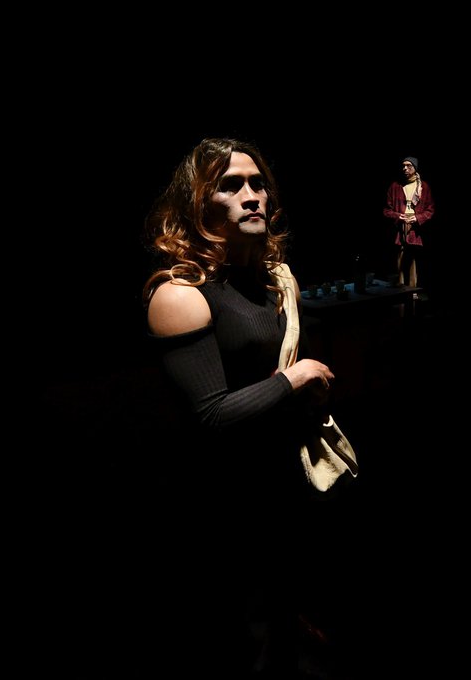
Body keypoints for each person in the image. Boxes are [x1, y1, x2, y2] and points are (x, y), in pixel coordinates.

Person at [142, 137, 336, 674]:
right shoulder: (180, 295)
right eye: (230, 187)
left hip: (280, 486)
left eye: (258, 185)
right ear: (198, 205)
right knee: (246, 645)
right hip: (224, 503)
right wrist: (295, 379)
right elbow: (210, 416)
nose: (252, 196)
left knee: (290, 627)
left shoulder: (274, 281)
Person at [383, 155, 434, 287]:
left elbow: (430, 210)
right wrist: (397, 216)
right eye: (403, 166)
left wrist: (417, 218)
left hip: (416, 226)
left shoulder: (423, 186)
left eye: (408, 166)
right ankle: (400, 288)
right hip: (400, 225)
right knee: (400, 258)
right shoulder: (395, 186)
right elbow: (386, 210)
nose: (405, 168)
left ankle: (413, 289)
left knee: (413, 258)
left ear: (415, 168)